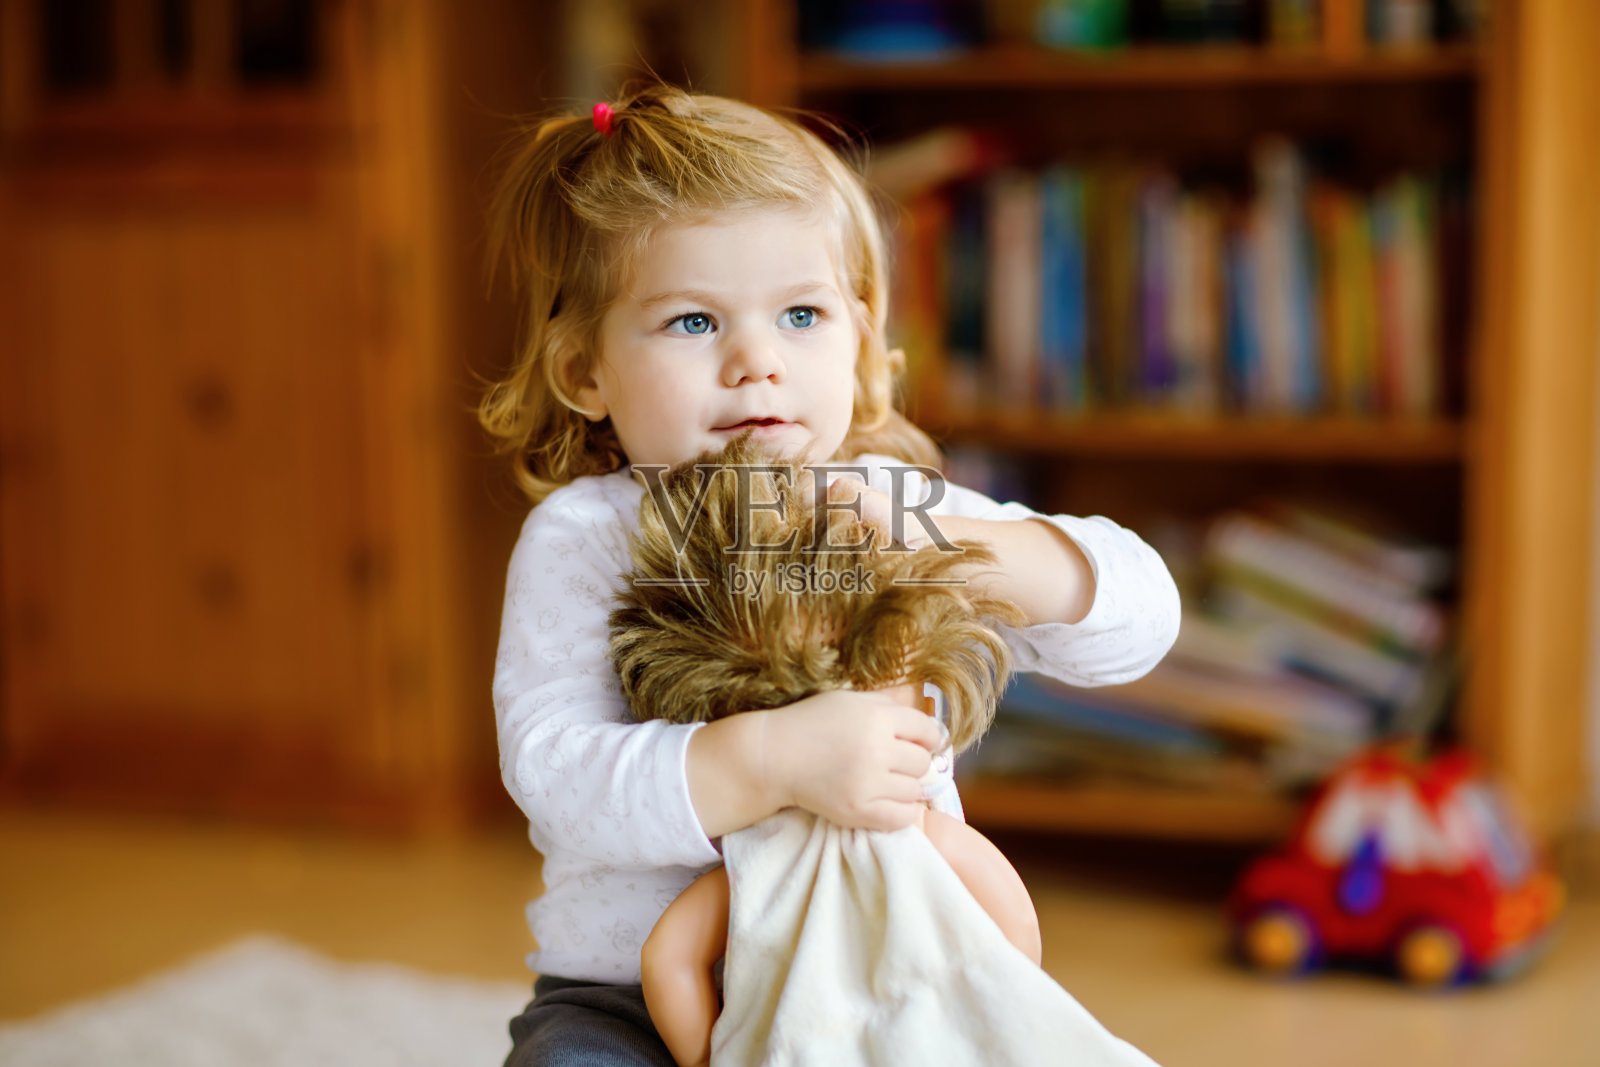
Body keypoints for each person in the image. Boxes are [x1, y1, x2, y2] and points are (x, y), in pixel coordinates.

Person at [480, 81, 1182, 1067]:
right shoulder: (585, 534)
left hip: (881, 973)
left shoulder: (887, 507)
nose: (755, 361)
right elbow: (556, 773)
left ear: (859, 336)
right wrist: (767, 760)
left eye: (801, 314)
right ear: (583, 370)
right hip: (625, 990)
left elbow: (1141, 620)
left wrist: (975, 549)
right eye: (692, 322)